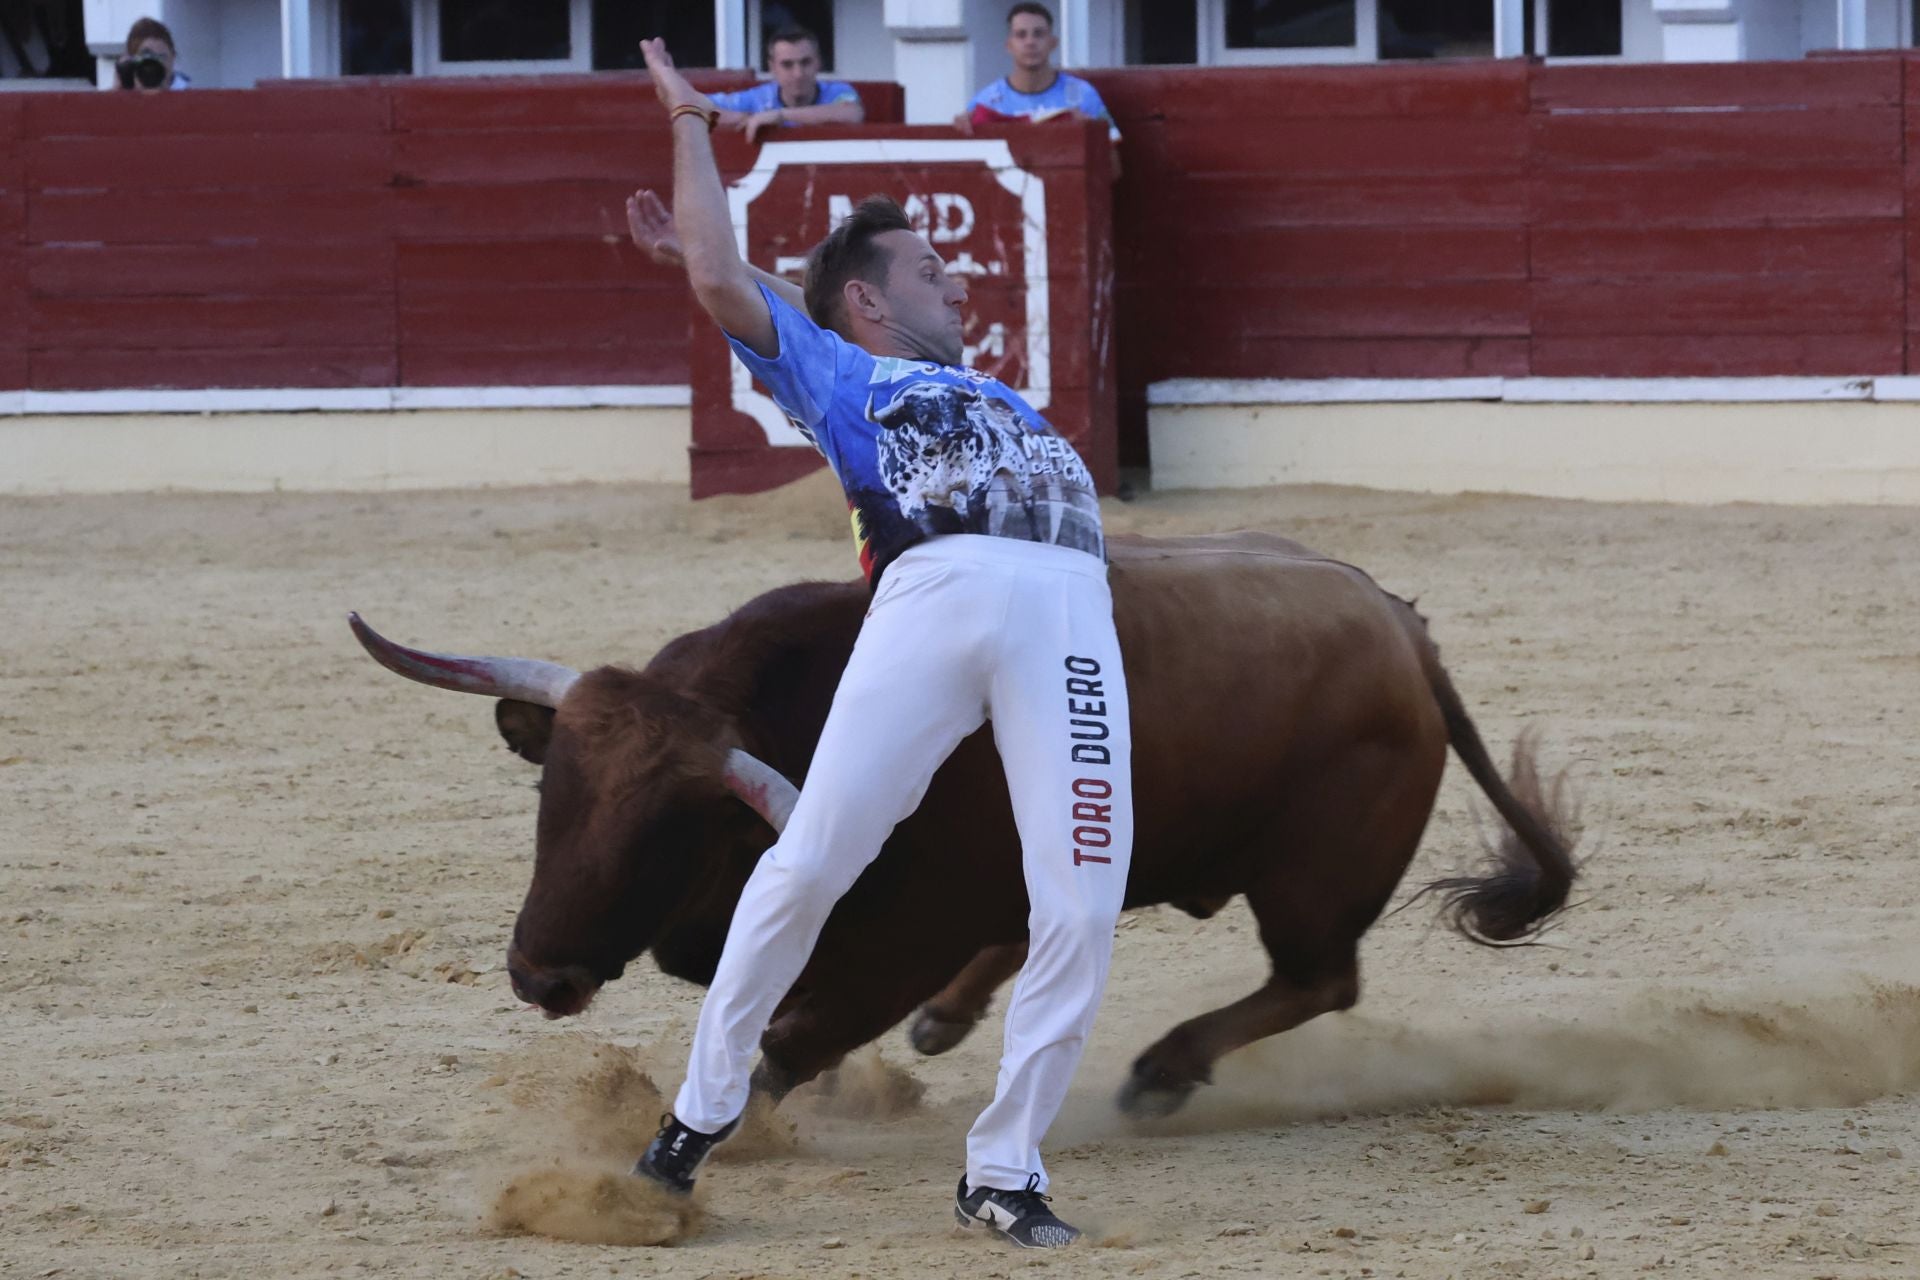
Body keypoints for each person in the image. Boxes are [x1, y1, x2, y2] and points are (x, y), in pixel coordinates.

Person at [625, 35, 1131, 1252]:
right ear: (865, 298)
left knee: (1085, 899)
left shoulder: (1004, 394)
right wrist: (694, 122)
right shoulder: (842, 370)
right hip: (937, 589)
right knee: (810, 861)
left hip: (1071, 607)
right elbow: (711, 269)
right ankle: (696, 1117)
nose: (958, 286)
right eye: (929, 270)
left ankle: (1002, 1168)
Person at [954, 4, 1117, 146]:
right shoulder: (986, 102)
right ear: (1009, 45)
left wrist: (1094, 136)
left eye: (1038, 34)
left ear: (1053, 43)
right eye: (1021, 35)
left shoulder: (1083, 95)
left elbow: (1114, 168)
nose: (1030, 42)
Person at [707, 26, 863, 144]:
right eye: (787, 65)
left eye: (805, 62)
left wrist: (780, 116)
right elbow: (693, 107)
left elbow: (853, 113)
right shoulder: (758, 98)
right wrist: (743, 117)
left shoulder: (838, 91)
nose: (798, 74)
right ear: (772, 68)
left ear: (818, 63)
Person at [115, 16, 188, 92]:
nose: (154, 65)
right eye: (146, 57)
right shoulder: (122, 96)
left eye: (162, 57)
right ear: (131, 62)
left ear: (173, 58)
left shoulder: (190, 98)